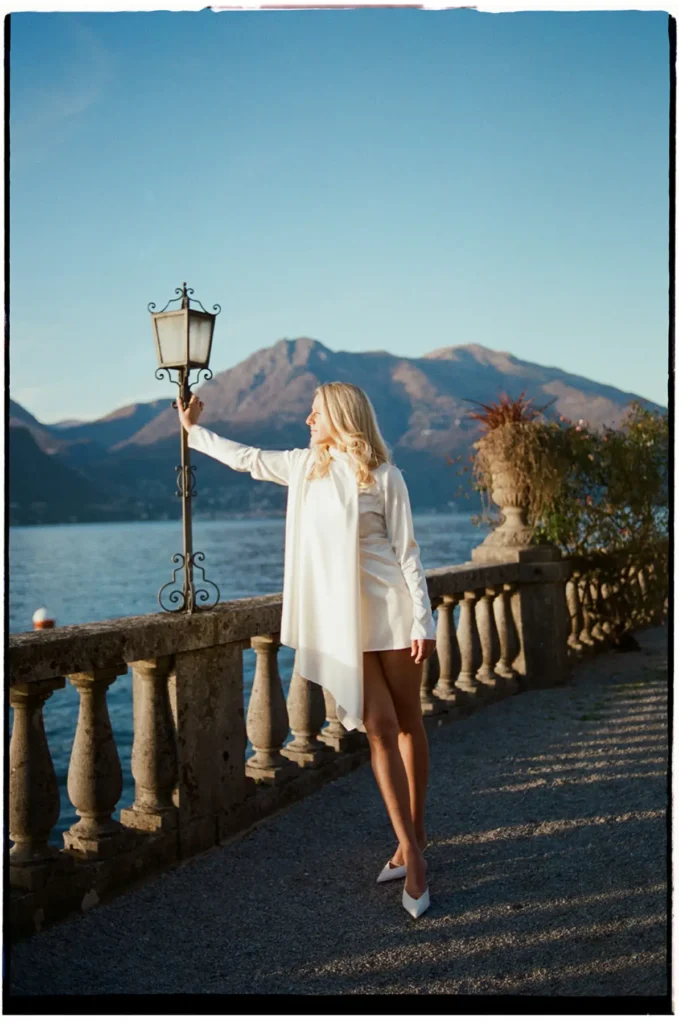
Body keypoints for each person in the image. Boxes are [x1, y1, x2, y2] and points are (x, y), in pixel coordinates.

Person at [177, 381, 436, 919]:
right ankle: (411, 853)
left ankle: (418, 836)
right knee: (379, 730)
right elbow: (246, 459)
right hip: (345, 624)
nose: (306, 420)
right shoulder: (304, 468)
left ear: (340, 416)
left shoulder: (385, 477)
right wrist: (193, 431)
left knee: (409, 724)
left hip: (391, 613)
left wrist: (423, 620)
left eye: (314, 413)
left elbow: (407, 552)